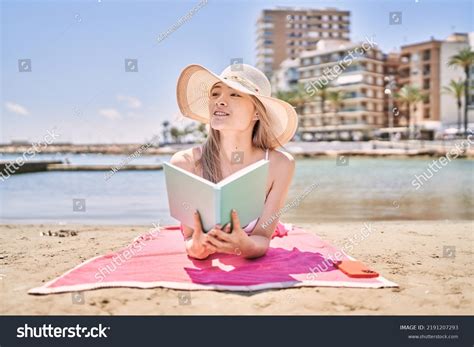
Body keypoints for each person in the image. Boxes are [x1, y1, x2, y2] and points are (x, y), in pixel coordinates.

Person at [171, 63, 298, 259]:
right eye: (215, 94)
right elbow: (189, 238)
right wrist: (197, 249)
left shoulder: (280, 165)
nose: (220, 101)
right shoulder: (185, 163)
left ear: (257, 112)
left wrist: (246, 246)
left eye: (235, 94)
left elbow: (262, 238)